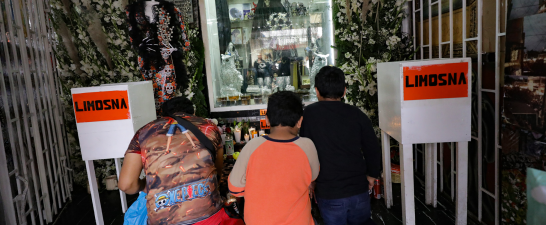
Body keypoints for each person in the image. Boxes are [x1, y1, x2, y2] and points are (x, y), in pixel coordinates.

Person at [119, 97, 237, 225]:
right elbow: (217, 174)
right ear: (193, 113)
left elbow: (126, 185)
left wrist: (147, 185)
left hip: (163, 219)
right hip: (208, 215)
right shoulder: (209, 127)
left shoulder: (143, 133)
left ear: (163, 115)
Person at [300, 66, 382, 225]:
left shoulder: (309, 114)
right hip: (359, 189)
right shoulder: (357, 114)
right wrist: (372, 175)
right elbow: (372, 147)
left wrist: (310, 181)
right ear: (344, 91)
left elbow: (305, 150)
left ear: (316, 91)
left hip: (329, 192)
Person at [228, 91, 319, 225]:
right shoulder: (307, 146)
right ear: (300, 121)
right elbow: (313, 176)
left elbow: (235, 188)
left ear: (267, 119)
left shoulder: (252, 146)